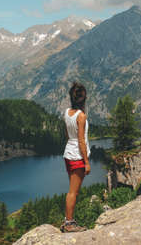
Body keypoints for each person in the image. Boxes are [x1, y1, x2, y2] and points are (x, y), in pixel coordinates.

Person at [60, 82, 91, 233]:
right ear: (83, 98)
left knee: (71, 190)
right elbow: (81, 141)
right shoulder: (81, 116)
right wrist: (87, 162)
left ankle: (68, 220)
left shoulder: (67, 112)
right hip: (77, 156)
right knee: (73, 192)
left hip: (68, 153)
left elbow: (67, 134)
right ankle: (69, 223)